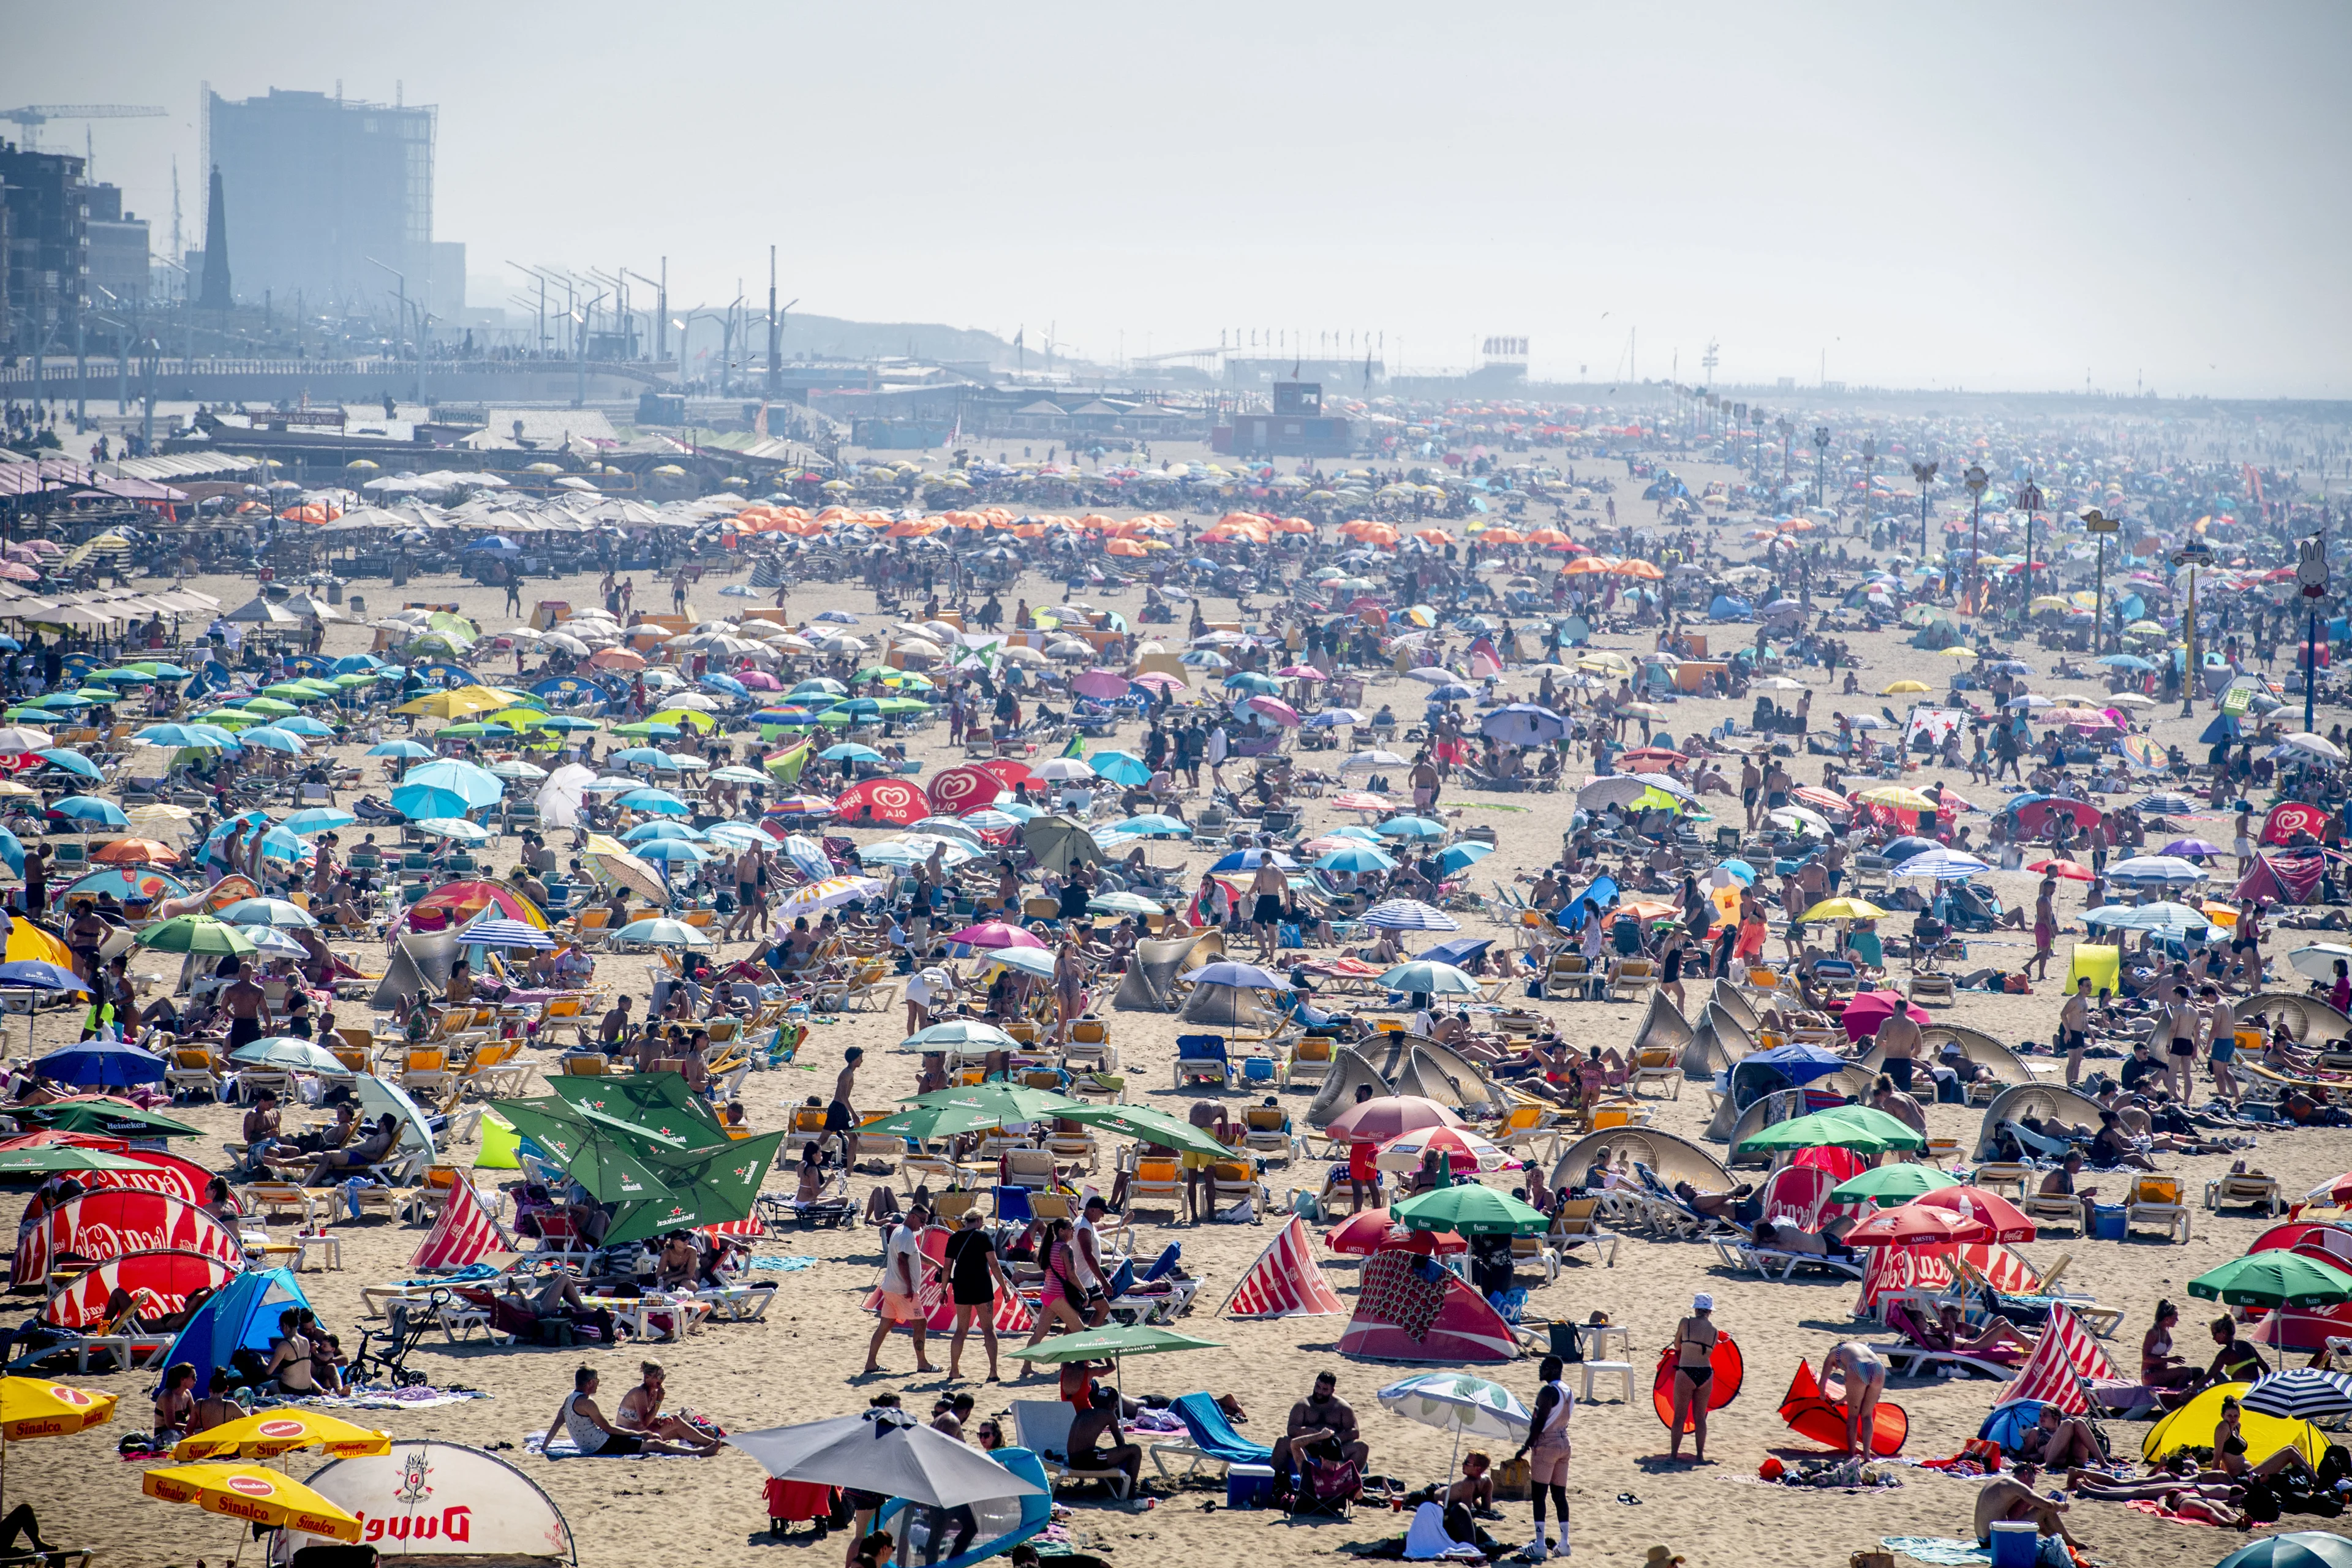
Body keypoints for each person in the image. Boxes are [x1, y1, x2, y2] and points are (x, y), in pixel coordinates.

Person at [549, 1365, 719, 1457]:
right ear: (590, 1383)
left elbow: (558, 1422)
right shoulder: (588, 1403)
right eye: (597, 1381)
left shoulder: (570, 1398)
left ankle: (707, 1442)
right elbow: (609, 1429)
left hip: (597, 1443)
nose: (598, 1384)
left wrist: (544, 1447)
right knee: (656, 1444)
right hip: (600, 1445)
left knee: (658, 1435)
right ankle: (701, 1451)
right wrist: (640, 1434)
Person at [1510, 1354, 1574, 1562]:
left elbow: (1539, 1423)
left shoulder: (1548, 1392)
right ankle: (1564, 1544)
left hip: (1547, 1444)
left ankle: (1539, 1544)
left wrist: (1526, 1447)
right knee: (1559, 1496)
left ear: (1553, 1370)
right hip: (1564, 1441)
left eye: (1544, 1367)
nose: (1540, 1370)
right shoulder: (1567, 1390)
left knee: (1539, 1496)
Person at [865, 1202, 936, 1374]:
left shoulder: (901, 1231)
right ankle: (923, 1363)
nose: (923, 1225)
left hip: (890, 1288)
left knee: (885, 1325)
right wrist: (910, 1288)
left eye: (926, 1222)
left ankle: (871, 1363)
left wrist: (936, 1264)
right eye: (922, 1221)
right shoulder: (906, 1235)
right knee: (921, 1324)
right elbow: (902, 1261)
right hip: (902, 1291)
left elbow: (915, 1254)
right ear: (912, 1216)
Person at [944, 1208, 1013, 1381]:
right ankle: (993, 1371)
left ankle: (954, 1370)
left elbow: (947, 1268)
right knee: (988, 1329)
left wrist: (943, 1290)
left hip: (961, 1285)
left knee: (961, 1330)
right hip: (981, 1284)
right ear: (979, 1220)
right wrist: (1004, 1288)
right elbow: (994, 1264)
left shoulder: (954, 1238)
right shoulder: (983, 1237)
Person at [1271, 1372, 1370, 1480]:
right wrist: (1307, 1432)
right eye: (1318, 1387)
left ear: (1332, 1391)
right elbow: (1291, 1429)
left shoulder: (1342, 1407)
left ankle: (1349, 1481)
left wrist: (1332, 1437)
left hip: (1332, 1449)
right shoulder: (1303, 1405)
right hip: (1308, 1447)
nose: (1319, 1392)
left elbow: (1355, 1432)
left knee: (1362, 1447)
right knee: (1282, 1442)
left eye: (1325, 1389)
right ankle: (1276, 1479)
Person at [1065, 1374, 1144, 1504]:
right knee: (1135, 1450)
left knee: (1103, 1452)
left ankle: (1113, 1486)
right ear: (1112, 1404)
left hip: (1073, 1459)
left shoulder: (1085, 1412)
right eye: (1116, 1406)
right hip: (1085, 1461)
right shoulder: (1109, 1415)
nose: (1115, 1408)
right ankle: (1131, 1493)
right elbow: (1121, 1444)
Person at [1972, 1461, 2081, 1553]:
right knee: (2045, 1509)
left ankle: (2062, 1541)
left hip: (1983, 1540)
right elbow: (2048, 1505)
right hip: (1995, 1542)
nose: (2032, 1486)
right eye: (2032, 1481)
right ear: (2025, 1474)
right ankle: (2071, 1543)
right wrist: (2061, 1506)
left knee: (2034, 1506)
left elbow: (2012, 1515)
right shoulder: (2014, 1485)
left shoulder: (1999, 1480)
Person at [616, 1360, 723, 1449]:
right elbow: (645, 1422)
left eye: (664, 1376)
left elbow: (646, 1418)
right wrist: (659, 1401)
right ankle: (711, 1442)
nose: (662, 1380)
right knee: (676, 1422)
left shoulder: (653, 1392)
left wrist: (661, 1420)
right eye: (659, 1376)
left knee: (675, 1425)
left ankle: (705, 1440)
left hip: (642, 1431)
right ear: (647, 1377)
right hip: (630, 1437)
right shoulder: (640, 1393)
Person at [1667, 1294, 1718, 1464]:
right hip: (1706, 1374)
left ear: (1696, 1308)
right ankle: (1700, 1456)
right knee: (1700, 1418)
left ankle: (1674, 1456)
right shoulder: (1714, 1332)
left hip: (1686, 1371)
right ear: (1710, 1311)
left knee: (1679, 1417)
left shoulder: (1686, 1322)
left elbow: (1677, 1345)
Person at [1820, 1341, 1886, 1458]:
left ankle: (1851, 1455)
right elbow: (1857, 1390)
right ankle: (1867, 1456)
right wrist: (1844, 1399)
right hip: (1878, 1367)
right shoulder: (1858, 1348)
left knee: (1853, 1416)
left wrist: (1822, 1396)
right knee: (1867, 1415)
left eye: (1836, 1366)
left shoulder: (1833, 1353)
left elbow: (1822, 1384)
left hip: (1857, 1367)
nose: (1837, 1367)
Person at [2143, 1300, 2200, 1391]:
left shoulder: (2166, 1329)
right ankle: (2176, 1397)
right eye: (2175, 1318)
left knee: (2199, 1372)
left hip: (2162, 1372)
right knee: (2185, 1372)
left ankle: (2192, 1395)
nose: (2177, 1320)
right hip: (2150, 1375)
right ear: (2167, 1319)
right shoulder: (2153, 1332)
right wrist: (2170, 1359)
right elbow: (2146, 1358)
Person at [2206, 1315, 2269, 1385]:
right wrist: (2263, 1385)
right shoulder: (2246, 1345)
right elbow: (2266, 1369)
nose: (2213, 1338)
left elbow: (2209, 1376)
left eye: (2214, 1334)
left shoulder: (2226, 1353)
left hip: (2241, 1390)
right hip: (2254, 1387)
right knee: (2218, 1375)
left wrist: (2195, 1388)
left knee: (2214, 1376)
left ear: (2224, 1332)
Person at [828, 1047, 864, 1169]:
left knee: (852, 1139)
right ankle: (849, 1170)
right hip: (839, 1108)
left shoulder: (849, 1073)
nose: (862, 1061)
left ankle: (850, 1170)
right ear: (854, 1060)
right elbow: (843, 1095)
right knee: (853, 1138)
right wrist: (853, 1113)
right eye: (860, 1058)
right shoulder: (847, 1073)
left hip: (839, 1108)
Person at [2058, 976, 2094, 1088]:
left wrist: (2091, 1035)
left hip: (2080, 1033)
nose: (2090, 988)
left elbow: (2084, 1019)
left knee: (2078, 1061)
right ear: (2080, 987)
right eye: (2087, 986)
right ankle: (2069, 1085)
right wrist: (2067, 1032)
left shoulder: (2085, 1001)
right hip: (2072, 1032)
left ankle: (2075, 1084)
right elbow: (2063, 1014)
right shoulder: (2074, 1000)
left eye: (2090, 986)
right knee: (2072, 1062)